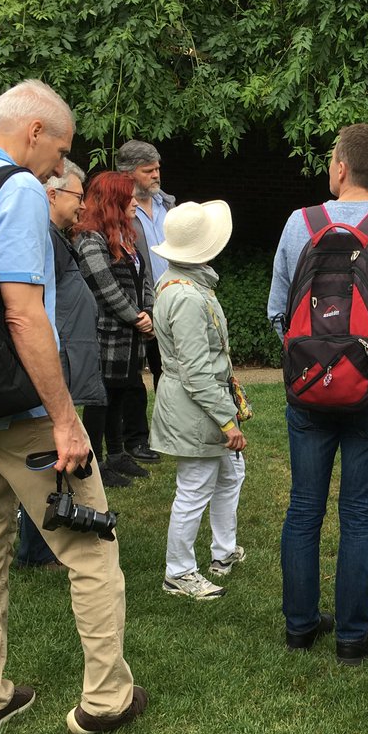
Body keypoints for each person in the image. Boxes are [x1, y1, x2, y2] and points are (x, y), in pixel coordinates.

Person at [0, 79, 145, 734]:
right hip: (21, 409)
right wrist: (66, 418)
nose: (57, 169)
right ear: (34, 132)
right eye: (60, 150)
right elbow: (22, 311)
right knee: (91, 547)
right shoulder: (15, 189)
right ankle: (106, 698)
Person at [267, 123, 368, 664]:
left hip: (307, 388)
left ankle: (299, 625)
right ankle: (354, 635)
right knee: (359, 512)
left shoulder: (300, 223)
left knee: (304, 506)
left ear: (339, 168)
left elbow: (277, 312)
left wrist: (311, 361)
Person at [13, 159, 108, 569]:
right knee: (49, 458)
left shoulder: (54, 236)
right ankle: (38, 551)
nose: (83, 205)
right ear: (51, 195)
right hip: (56, 363)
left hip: (66, 357)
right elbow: (36, 310)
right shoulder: (44, 240)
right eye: (77, 196)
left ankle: (42, 547)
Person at [150, 200, 247, 601]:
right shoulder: (187, 296)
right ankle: (179, 572)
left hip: (200, 402)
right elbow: (195, 372)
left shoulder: (184, 282)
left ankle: (223, 552)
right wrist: (228, 420)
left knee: (230, 475)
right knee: (193, 488)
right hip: (196, 408)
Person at [73, 171, 156, 488]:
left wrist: (147, 310)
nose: (135, 201)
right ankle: (94, 463)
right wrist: (137, 317)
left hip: (130, 336)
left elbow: (143, 278)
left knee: (121, 392)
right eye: (129, 197)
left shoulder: (126, 237)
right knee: (100, 399)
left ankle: (117, 454)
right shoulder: (90, 240)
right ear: (112, 202)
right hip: (105, 336)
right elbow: (105, 289)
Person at [116, 140, 174, 454]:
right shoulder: (120, 210)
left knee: (169, 372)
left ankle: (169, 433)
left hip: (173, 301)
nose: (156, 175)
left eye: (158, 168)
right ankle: (135, 440)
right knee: (132, 378)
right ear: (128, 174)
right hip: (139, 306)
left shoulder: (169, 205)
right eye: (148, 170)